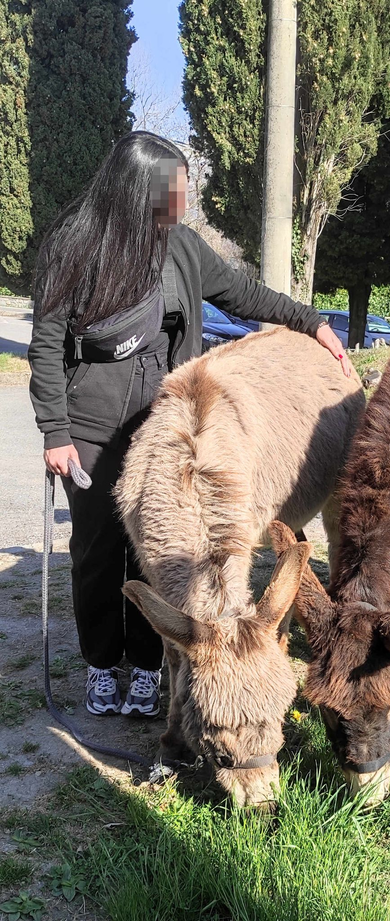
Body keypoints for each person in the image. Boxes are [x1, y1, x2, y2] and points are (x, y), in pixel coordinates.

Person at [29, 131, 349, 718]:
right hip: (94, 427)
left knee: (170, 559)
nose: (183, 198)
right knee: (99, 551)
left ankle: (152, 667)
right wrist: (55, 430)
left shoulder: (182, 247)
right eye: (173, 187)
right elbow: (46, 347)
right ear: (137, 191)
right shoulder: (71, 248)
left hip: (171, 428)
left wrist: (312, 322)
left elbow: (244, 294)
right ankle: (103, 665)